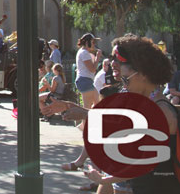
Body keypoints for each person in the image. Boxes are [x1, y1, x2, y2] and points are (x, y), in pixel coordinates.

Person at [80, 35, 180, 194]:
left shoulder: (161, 111)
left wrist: (104, 179)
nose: (124, 86)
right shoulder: (149, 105)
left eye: (126, 80)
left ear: (143, 74)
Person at [61, 33, 102, 173]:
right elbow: (92, 69)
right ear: (88, 42)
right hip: (86, 82)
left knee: (94, 109)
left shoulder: (83, 52)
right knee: (92, 110)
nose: (94, 45)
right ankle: (85, 130)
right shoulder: (84, 53)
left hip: (86, 82)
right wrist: (98, 58)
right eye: (93, 42)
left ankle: (85, 130)